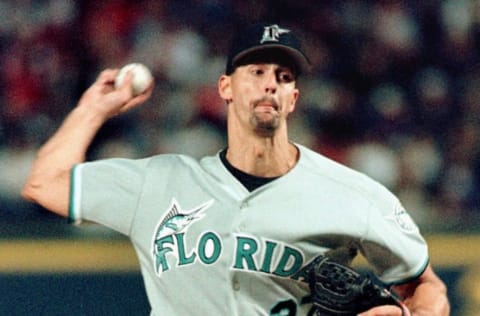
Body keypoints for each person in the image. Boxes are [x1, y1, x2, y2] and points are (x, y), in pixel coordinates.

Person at [22, 23, 449, 316]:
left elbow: (427, 286)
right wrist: (93, 108)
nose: (269, 84)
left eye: (283, 76)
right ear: (225, 87)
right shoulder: (158, 182)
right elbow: (45, 183)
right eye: (256, 71)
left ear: (294, 97)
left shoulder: (355, 195)